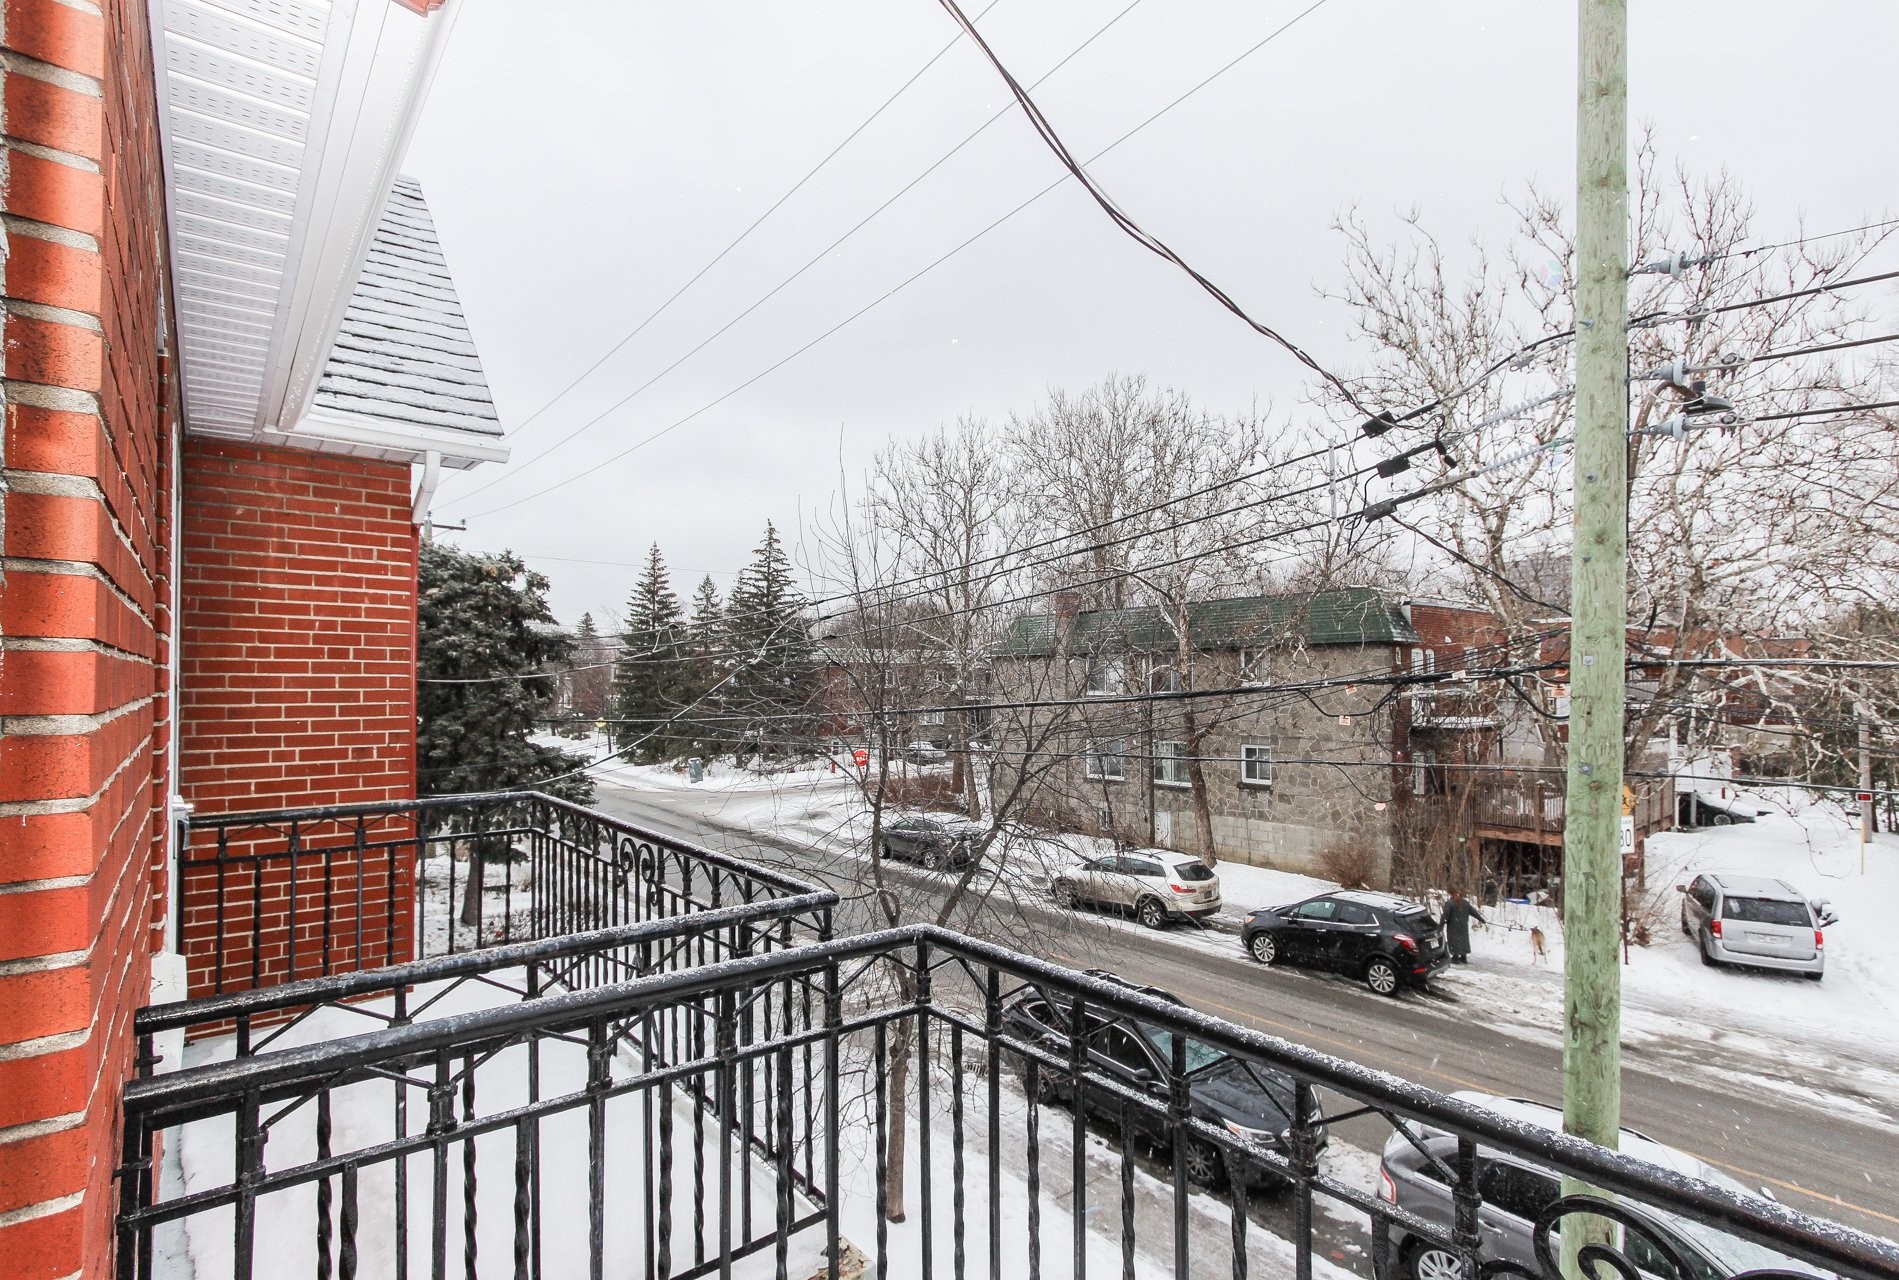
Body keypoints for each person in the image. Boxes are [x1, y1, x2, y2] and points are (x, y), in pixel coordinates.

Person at [1442, 889, 1486, 964]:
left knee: (1454, 940)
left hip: (1453, 926)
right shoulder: (1465, 903)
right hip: (1463, 926)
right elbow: (1474, 912)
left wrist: (1441, 925)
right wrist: (1481, 919)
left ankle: (1455, 957)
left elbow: (1445, 916)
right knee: (1463, 940)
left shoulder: (1450, 903)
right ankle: (1463, 957)